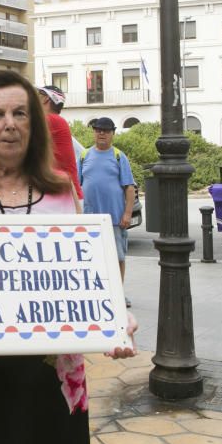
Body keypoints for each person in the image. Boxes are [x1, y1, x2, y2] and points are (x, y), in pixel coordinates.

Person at [0, 71, 137, 444]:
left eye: (21, 113)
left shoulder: (62, 189)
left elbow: (85, 275)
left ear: (34, 125)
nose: (10, 124)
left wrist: (114, 317)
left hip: (54, 375)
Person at [78, 117, 136, 306]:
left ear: (112, 133)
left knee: (118, 257)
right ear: (94, 132)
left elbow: (129, 188)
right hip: (90, 221)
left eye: (106, 130)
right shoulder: (84, 155)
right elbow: (76, 187)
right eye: (98, 130)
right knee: (93, 258)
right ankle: (97, 292)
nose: (101, 133)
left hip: (114, 219)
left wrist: (127, 214)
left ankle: (118, 293)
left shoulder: (119, 156)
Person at [37, 84, 84, 204]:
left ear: (46, 99)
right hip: (63, 195)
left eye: (38, 95)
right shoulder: (56, 121)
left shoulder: (52, 120)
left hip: (65, 197)